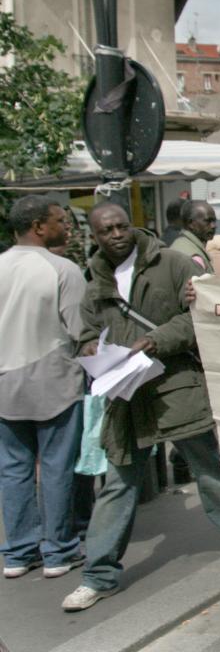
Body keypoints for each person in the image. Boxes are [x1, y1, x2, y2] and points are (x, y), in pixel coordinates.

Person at [62, 203, 220, 613]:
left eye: (121, 226)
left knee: (206, 466)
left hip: (175, 383)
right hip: (126, 394)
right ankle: (99, 576)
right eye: (106, 230)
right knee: (118, 483)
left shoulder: (170, 262)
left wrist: (156, 340)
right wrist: (90, 347)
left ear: (133, 227)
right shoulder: (94, 278)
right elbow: (84, 332)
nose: (115, 235)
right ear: (95, 237)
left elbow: (199, 316)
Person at [0, 196, 87, 580]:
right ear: (39, 227)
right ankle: (58, 549)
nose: (65, 226)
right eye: (58, 220)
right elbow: (80, 331)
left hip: (5, 383)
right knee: (55, 467)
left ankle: (18, 552)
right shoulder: (63, 269)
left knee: (13, 470)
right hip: (53, 380)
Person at [170, 199, 216, 273]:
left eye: (214, 221)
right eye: (208, 221)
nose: (213, 226)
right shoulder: (194, 257)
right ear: (191, 223)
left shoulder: (182, 243)